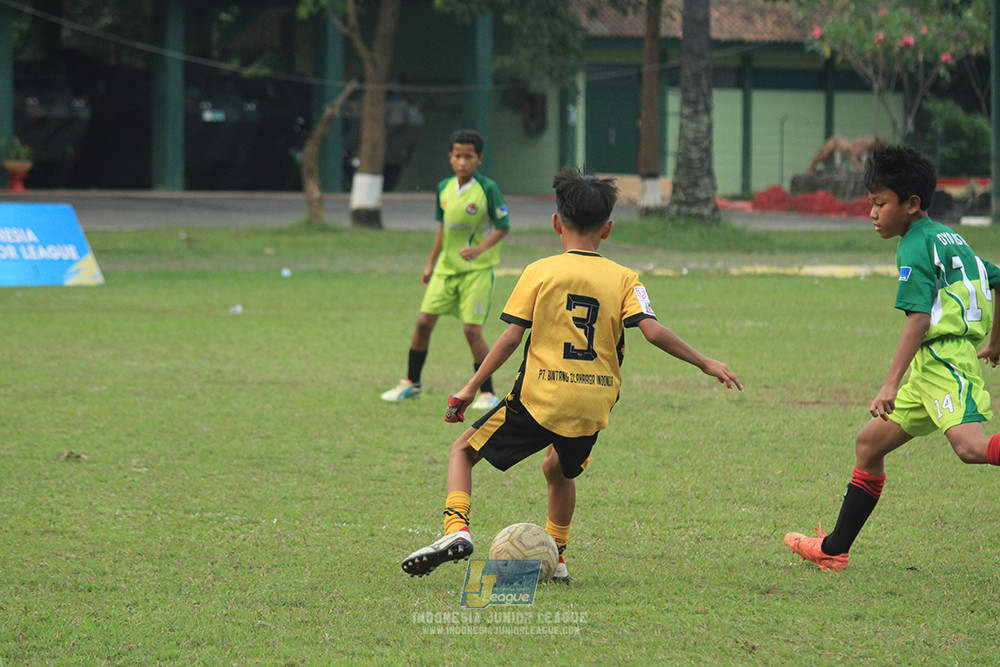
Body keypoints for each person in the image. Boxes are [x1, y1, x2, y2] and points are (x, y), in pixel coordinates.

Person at [401, 168, 743, 582]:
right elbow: (653, 331)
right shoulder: (625, 278)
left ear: (556, 223)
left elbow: (511, 339)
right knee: (557, 469)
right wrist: (705, 362)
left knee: (462, 452)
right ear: (609, 229)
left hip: (540, 396)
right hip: (593, 404)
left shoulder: (540, 271)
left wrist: (471, 387)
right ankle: (558, 558)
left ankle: (456, 531)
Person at [785, 143, 1000, 571]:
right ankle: (833, 550)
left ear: (912, 204)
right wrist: (995, 341)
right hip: (930, 367)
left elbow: (918, 320)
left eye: (880, 203)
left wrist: (889, 383)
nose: (872, 212)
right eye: (871, 203)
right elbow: (996, 278)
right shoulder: (949, 236)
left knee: (970, 448)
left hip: (944, 361)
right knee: (869, 443)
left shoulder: (915, 246)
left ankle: (834, 549)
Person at [381, 129, 510, 410]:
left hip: (477, 271)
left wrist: (479, 250)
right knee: (423, 323)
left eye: (469, 157)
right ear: (450, 158)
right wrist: (430, 264)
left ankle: (488, 393)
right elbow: (443, 229)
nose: (463, 162)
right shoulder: (444, 188)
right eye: (458, 156)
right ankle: (412, 384)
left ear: (479, 159)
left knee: (471, 331)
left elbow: (503, 227)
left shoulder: (487, 188)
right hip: (445, 270)